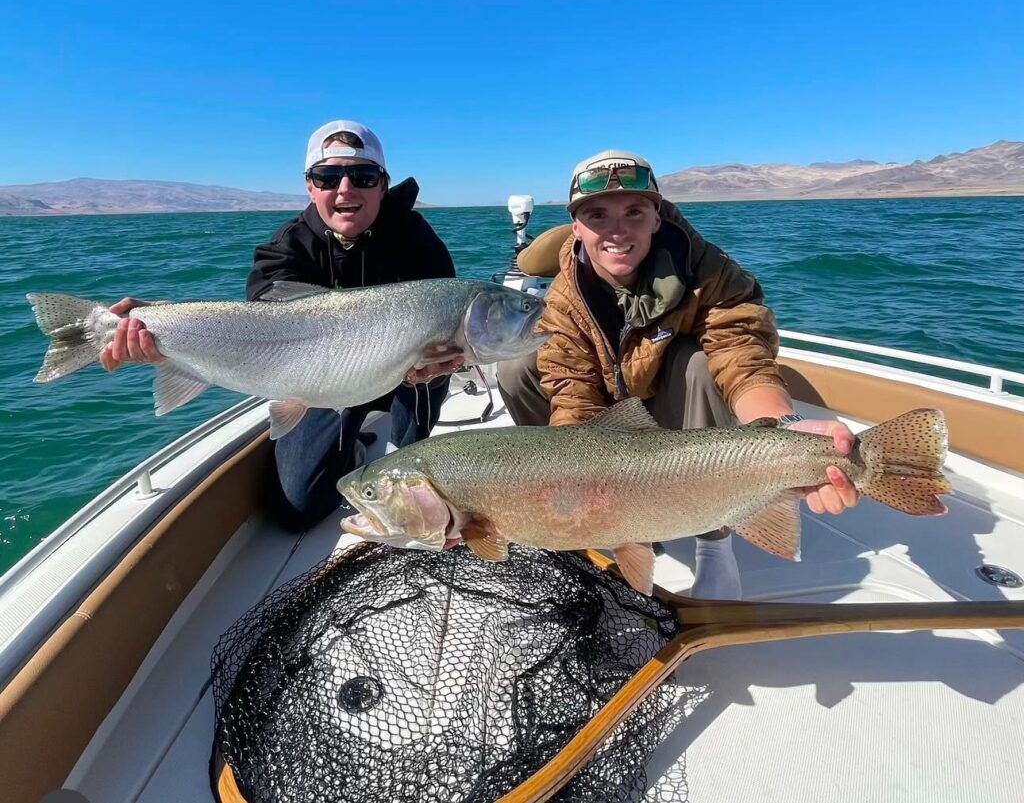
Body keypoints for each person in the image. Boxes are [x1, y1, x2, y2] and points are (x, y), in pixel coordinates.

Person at [496, 150, 859, 599]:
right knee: (515, 367)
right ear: (577, 226)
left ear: (657, 216)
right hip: (608, 425)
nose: (617, 230)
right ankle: (595, 519)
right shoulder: (564, 300)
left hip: (680, 419)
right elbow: (573, 395)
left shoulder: (707, 270)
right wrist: (577, 490)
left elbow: (742, 353)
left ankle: (715, 540)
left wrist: (785, 428)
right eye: (597, 215)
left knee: (702, 365)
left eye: (634, 211)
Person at [100, 120, 463, 531]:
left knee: (414, 487)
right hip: (317, 381)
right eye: (328, 176)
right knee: (299, 508)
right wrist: (162, 328)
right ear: (310, 186)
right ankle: (353, 447)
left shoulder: (417, 239)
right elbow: (257, 330)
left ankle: (406, 444)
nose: (345, 188)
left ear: (382, 184)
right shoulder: (284, 248)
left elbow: (449, 328)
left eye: (362, 176)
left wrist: (440, 365)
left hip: (404, 375)